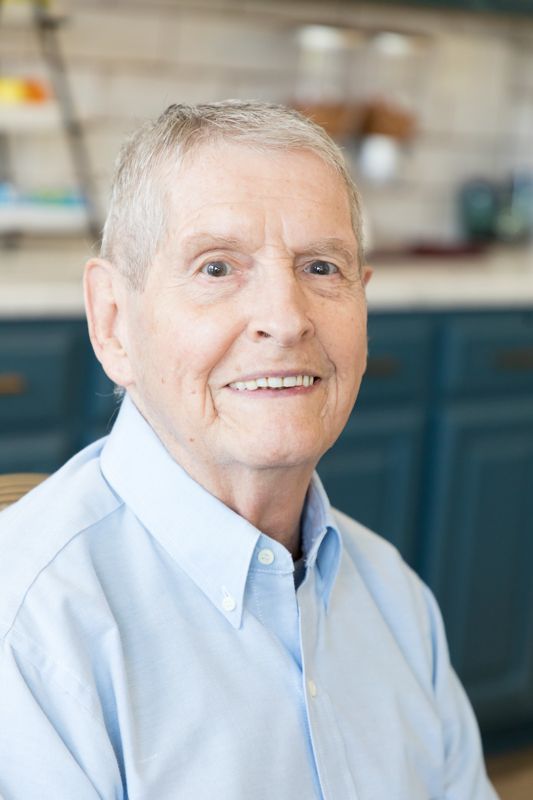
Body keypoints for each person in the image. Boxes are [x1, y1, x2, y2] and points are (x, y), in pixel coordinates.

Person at [0, 101, 498, 800]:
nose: (285, 319)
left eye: (321, 267)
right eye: (215, 268)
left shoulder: (393, 596)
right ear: (113, 321)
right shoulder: (28, 633)